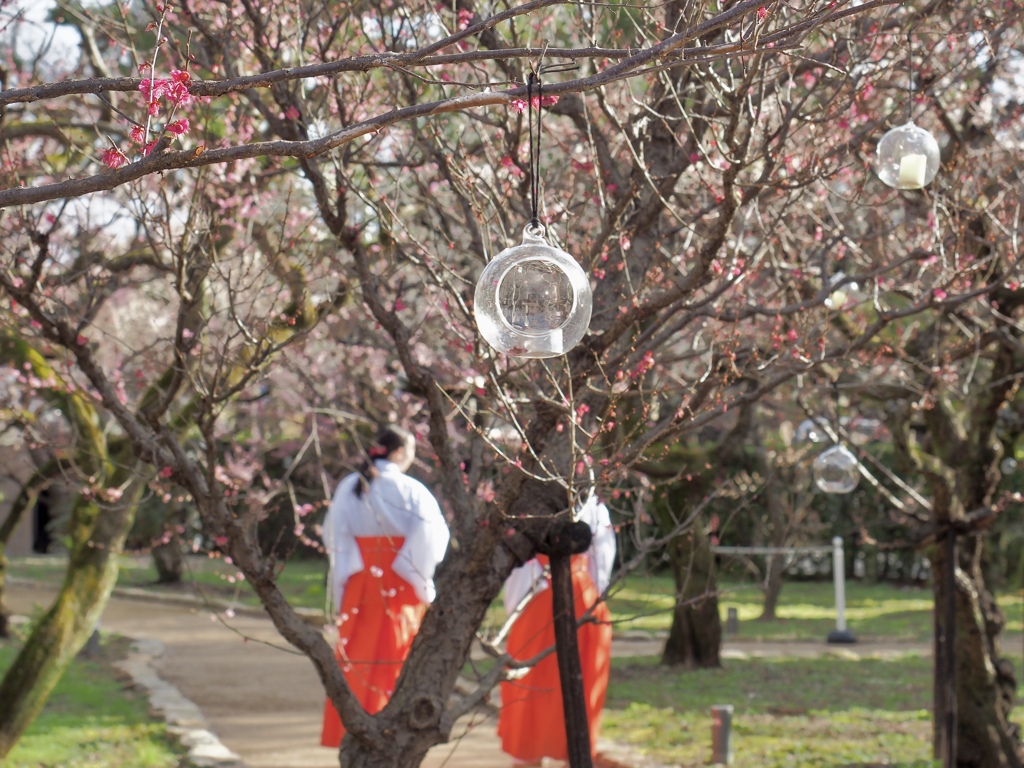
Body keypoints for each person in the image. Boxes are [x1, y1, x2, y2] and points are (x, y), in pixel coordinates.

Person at [319, 425, 450, 748]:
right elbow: (432, 538)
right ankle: (392, 734)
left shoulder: (351, 486)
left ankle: (352, 729)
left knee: (356, 655)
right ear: (400, 453)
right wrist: (416, 573)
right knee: (397, 655)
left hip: (360, 579)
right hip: (402, 582)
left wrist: (352, 565)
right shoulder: (411, 490)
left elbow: (333, 535)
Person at [497, 493, 616, 766]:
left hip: (538, 597)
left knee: (530, 688)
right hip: (581, 598)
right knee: (579, 688)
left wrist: (516, 602)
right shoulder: (594, 508)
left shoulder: (527, 504)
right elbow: (603, 560)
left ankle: (528, 755)